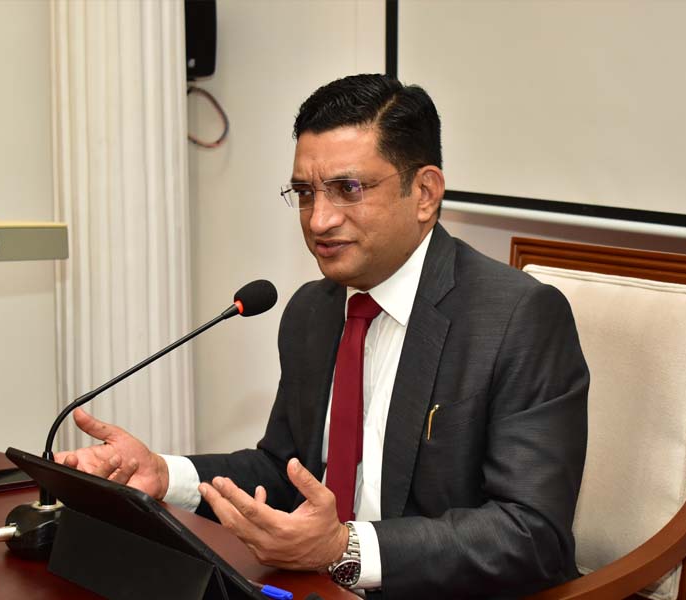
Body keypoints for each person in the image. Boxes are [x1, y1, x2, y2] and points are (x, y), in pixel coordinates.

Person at [57, 74, 589, 599]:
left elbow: (532, 533)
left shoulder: (518, 317)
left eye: (348, 189)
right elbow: (286, 471)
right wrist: (161, 474)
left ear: (424, 193)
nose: (319, 219)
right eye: (306, 193)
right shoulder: (313, 310)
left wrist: (344, 549)